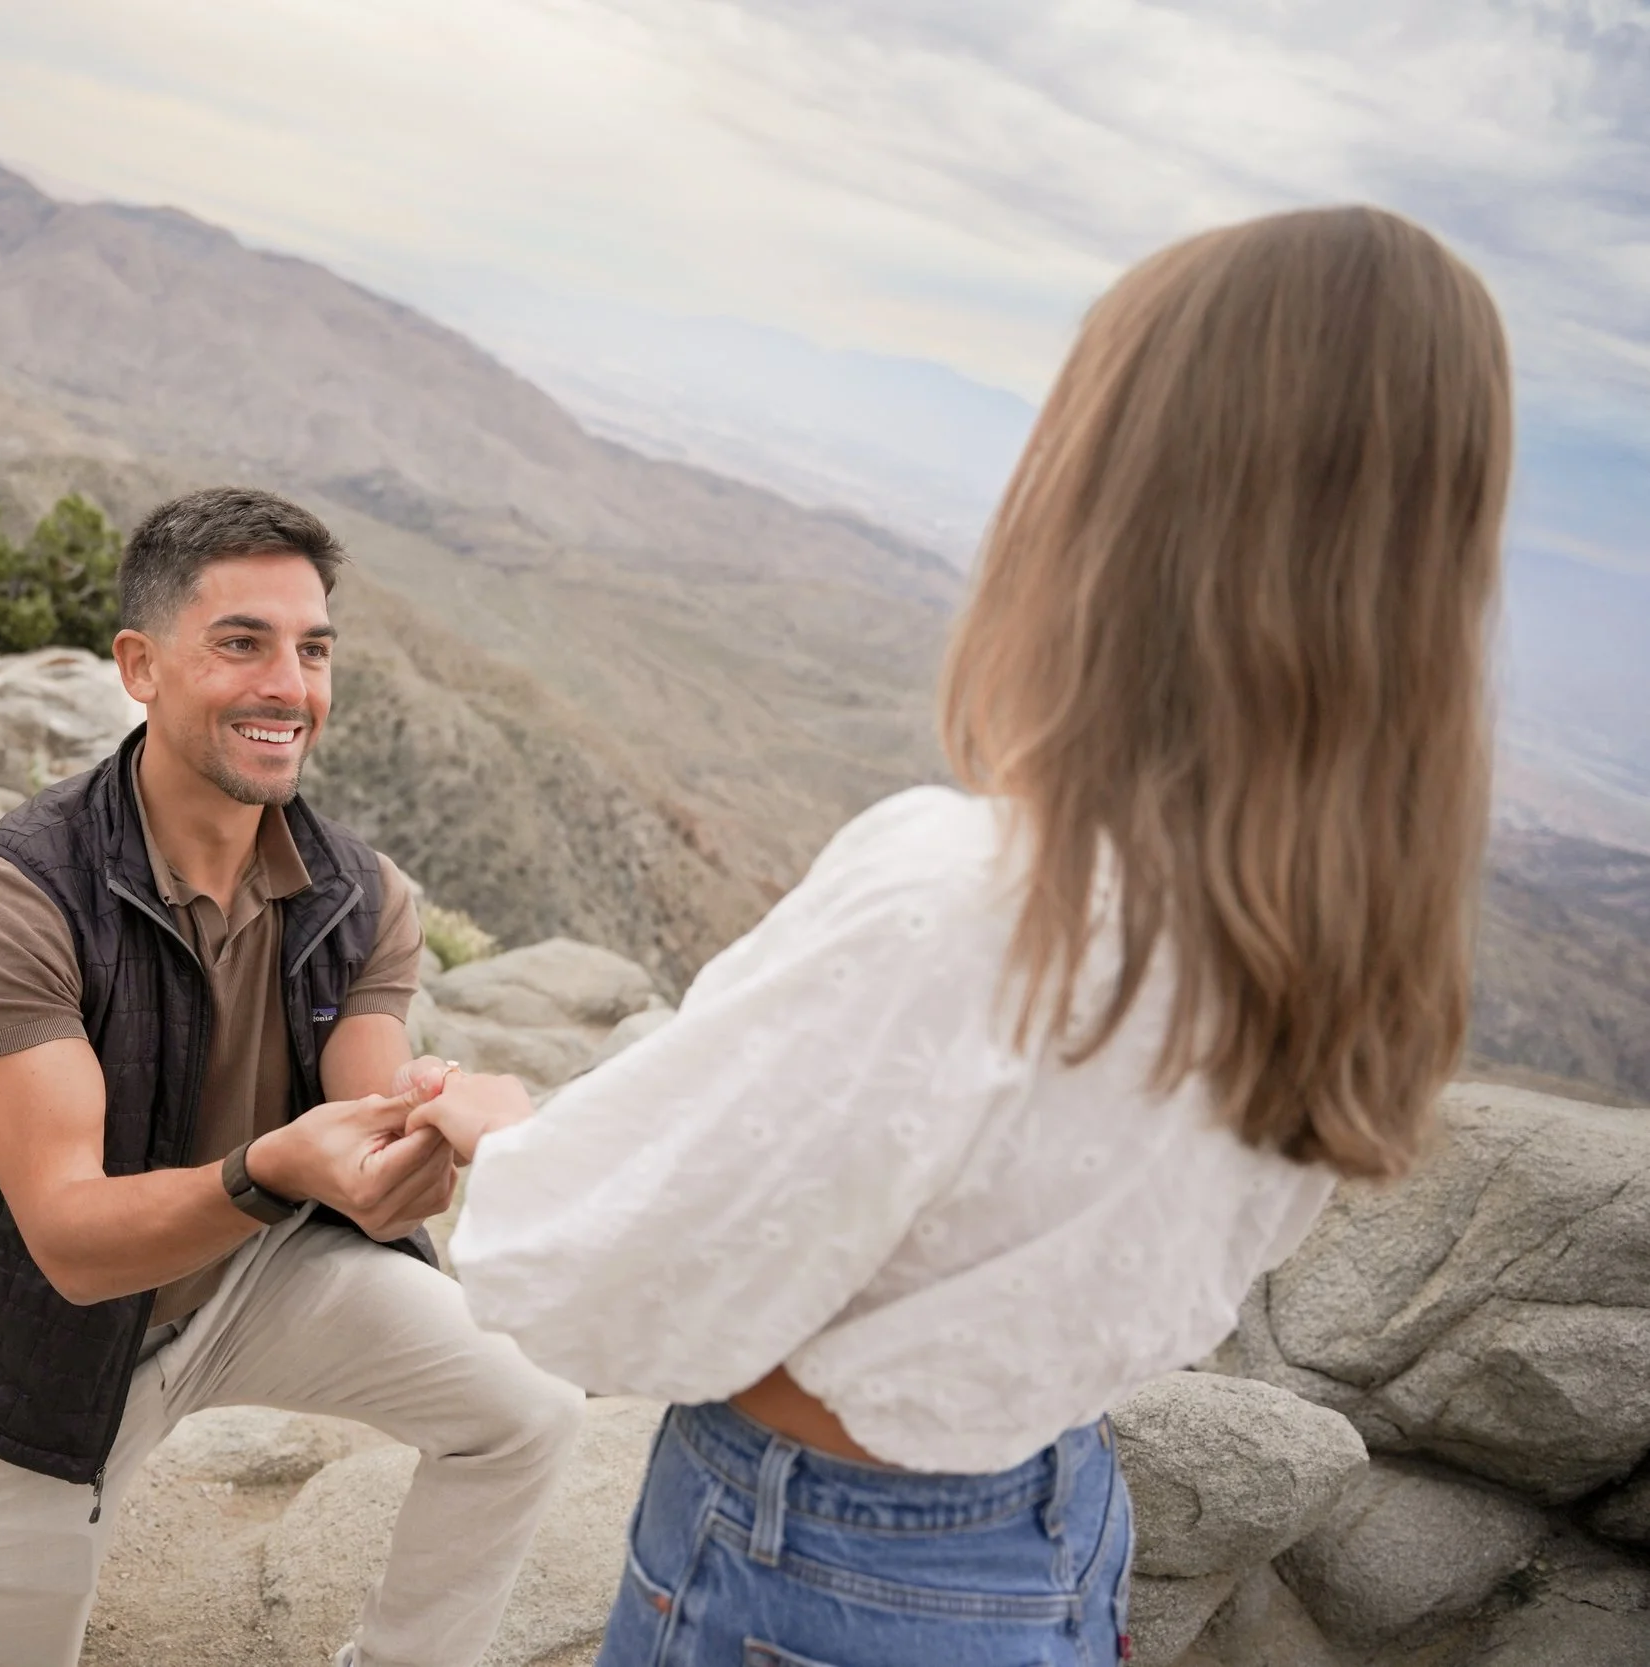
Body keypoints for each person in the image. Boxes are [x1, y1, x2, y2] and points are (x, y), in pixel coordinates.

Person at [409, 206, 1511, 1667]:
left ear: (1120, 496)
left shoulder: (984, 895)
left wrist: (507, 1141)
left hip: (810, 1561)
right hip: (1043, 1523)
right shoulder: (1335, 947)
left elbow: (613, 1272)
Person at [0, 485, 584, 1667]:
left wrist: (438, 1131)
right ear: (140, 665)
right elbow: (72, 1241)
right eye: (241, 642)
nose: (287, 686)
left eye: (311, 650)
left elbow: (370, 1119)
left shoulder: (365, 895)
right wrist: (268, 1169)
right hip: (56, 1327)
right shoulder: (15, 892)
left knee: (530, 1411)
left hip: (254, 1277)